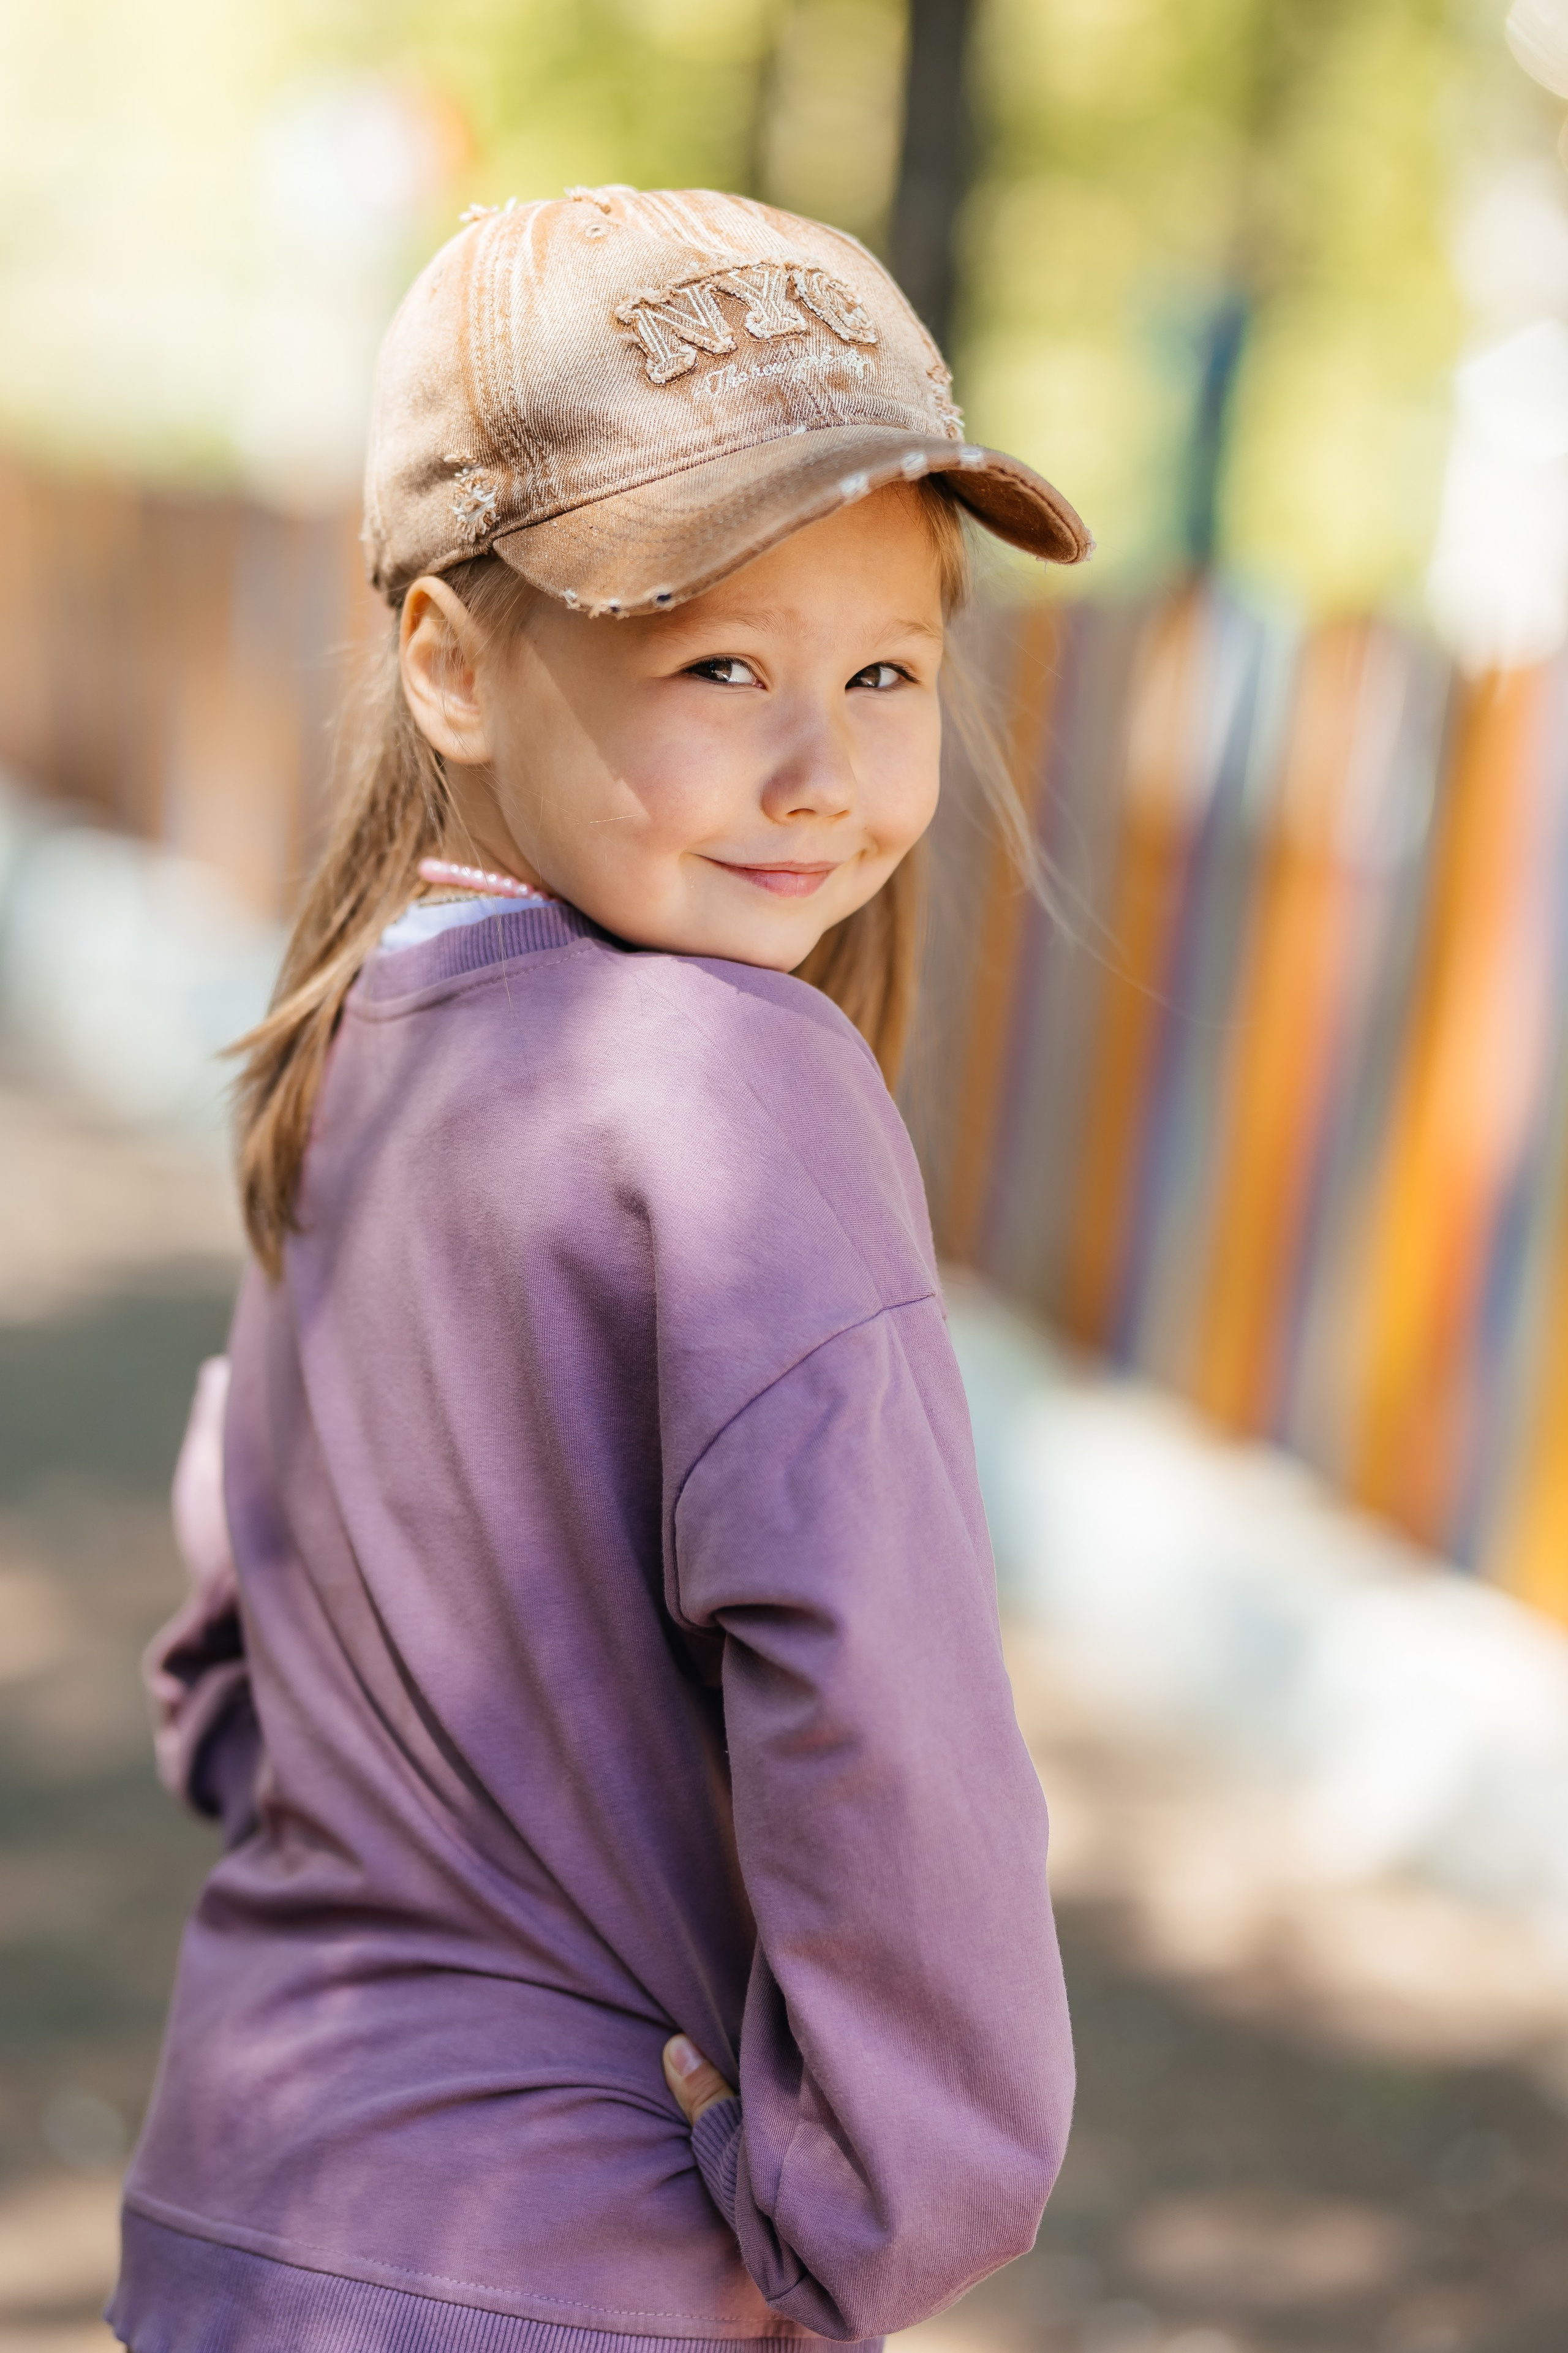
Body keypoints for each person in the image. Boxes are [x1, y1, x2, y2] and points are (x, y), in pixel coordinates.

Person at [111, 184, 1091, 2353]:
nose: (822, 767)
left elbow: (225, 1637)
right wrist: (867, 2209)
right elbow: (884, 1730)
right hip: (572, 2269)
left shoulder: (348, 1045)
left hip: (239, 2205)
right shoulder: (740, 1087)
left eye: (886, 671)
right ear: (452, 661)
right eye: (721, 663)